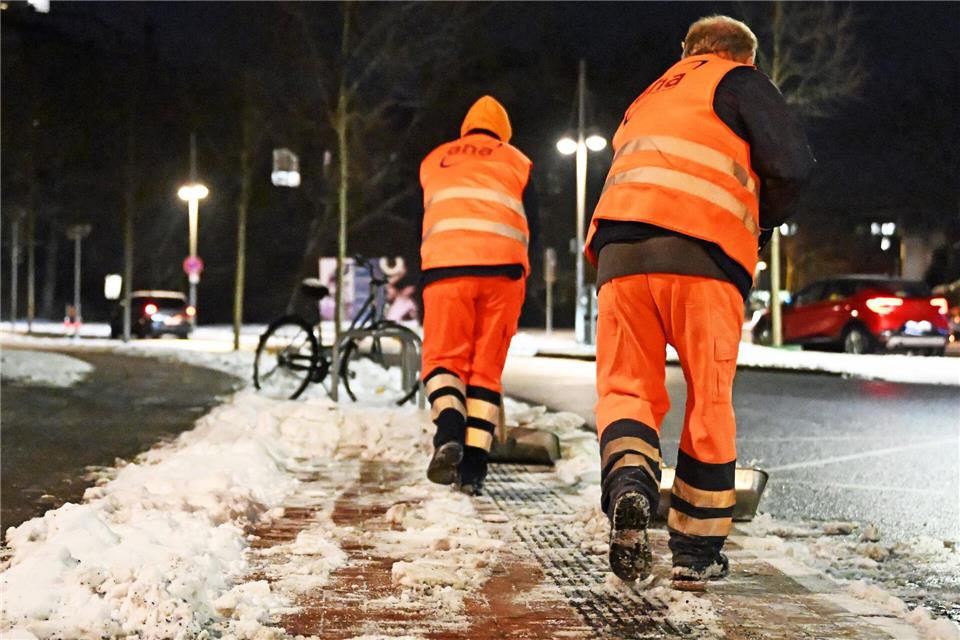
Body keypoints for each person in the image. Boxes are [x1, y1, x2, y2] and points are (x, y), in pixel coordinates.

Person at [585, 16, 814, 586]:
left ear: (686, 52)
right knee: (708, 400)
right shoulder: (739, 81)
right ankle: (695, 551)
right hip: (701, 255)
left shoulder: (649, 95)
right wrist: (758, 224)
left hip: (618, 254)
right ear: (746, 57)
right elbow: (792, 166)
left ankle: (631, 489)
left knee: (625, 390)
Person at [419, 95, 538, 495]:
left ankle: (448, 430)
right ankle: (473, 471)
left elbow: (428, 217)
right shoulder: (517, 161)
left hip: (445, 271)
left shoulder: (435, 159)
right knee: (485, 373)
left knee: (441, 362)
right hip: (503, 274)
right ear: (503, 133)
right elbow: (531, 224)